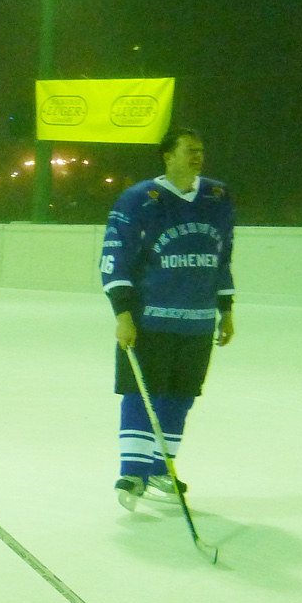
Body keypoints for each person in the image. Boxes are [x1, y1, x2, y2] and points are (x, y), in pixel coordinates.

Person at [100, 128, 235, 510]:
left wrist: (226, 309)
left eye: (200, 150)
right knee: (142, 393)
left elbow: (223, 256)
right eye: (189, 150)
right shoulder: (139, 199)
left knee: (182, 397)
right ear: (168, 156)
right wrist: (123, 313)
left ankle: (161, 468)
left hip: (198, 323)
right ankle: (132, 472)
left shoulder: (218, 197)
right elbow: (115, 257)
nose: (197, 156)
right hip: (151, 320)